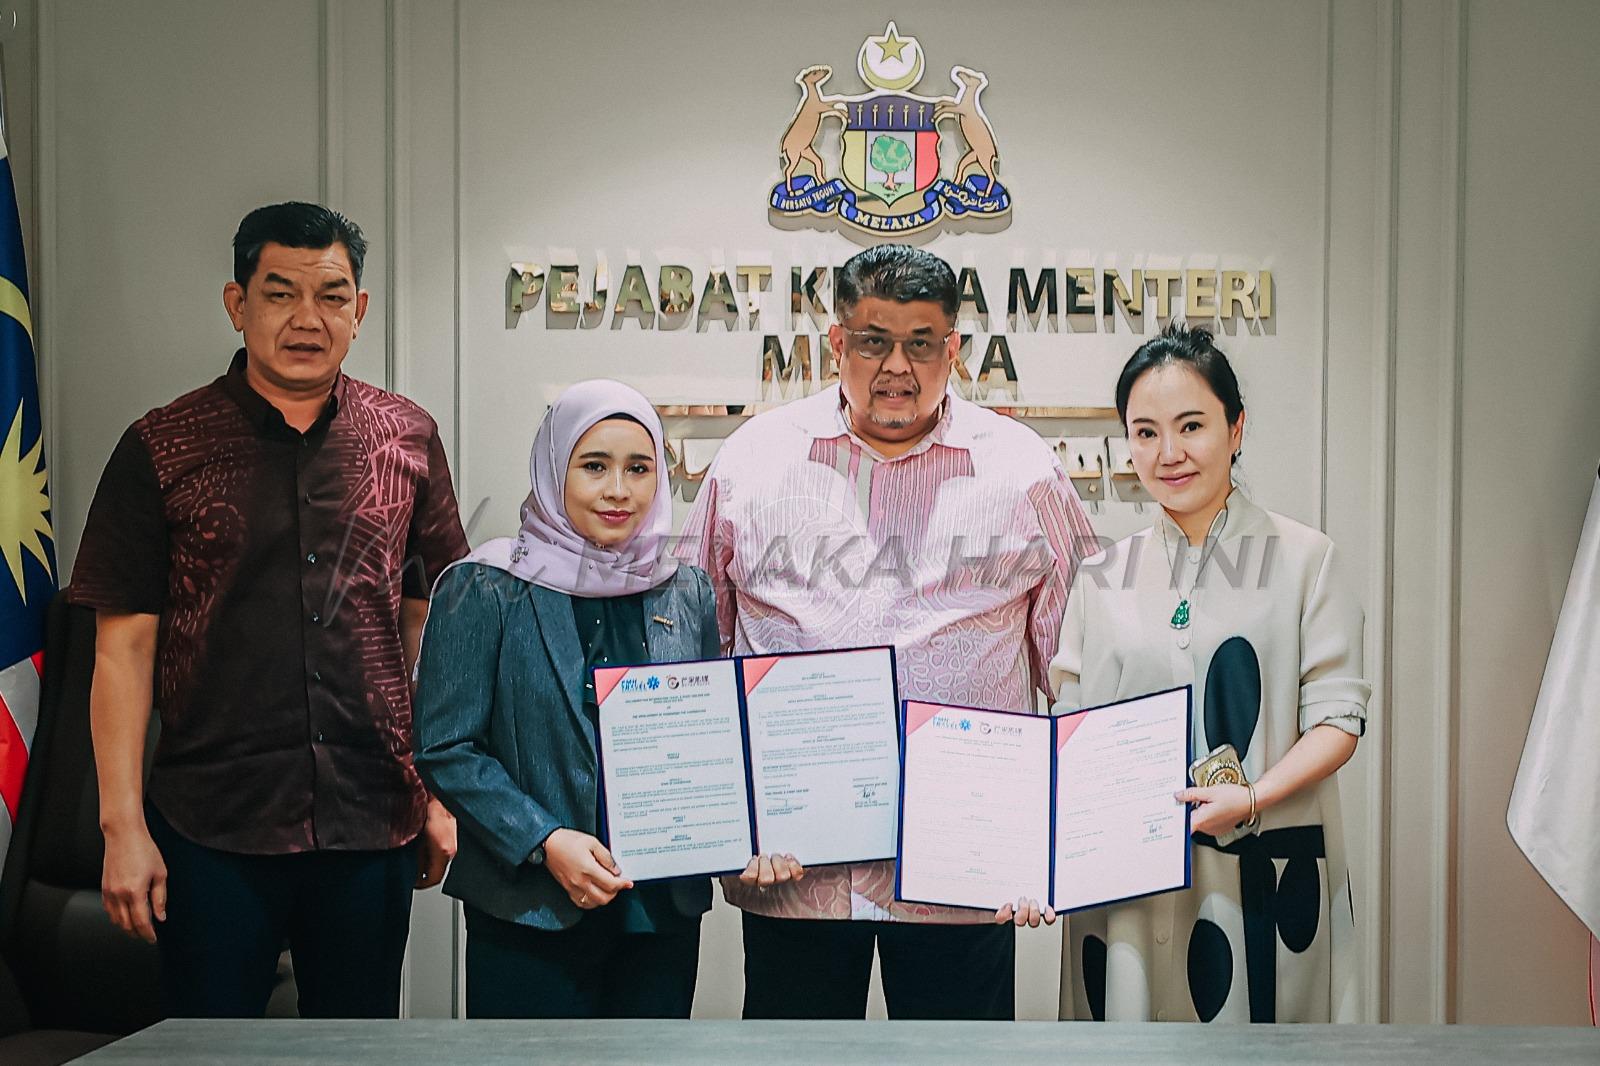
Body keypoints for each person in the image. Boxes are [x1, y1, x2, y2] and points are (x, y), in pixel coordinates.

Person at [677, 243, 1097, 1021]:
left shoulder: (1023, 471)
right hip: (794, 868)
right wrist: (723, 818)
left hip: (963, 870)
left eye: (921, 343)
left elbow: (1077, 673)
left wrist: (1052, 840)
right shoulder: (752, 463)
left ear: (954, 349)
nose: (897, 366)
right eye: (874, 341)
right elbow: (693, 660)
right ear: (836, 342)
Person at [71, 202, 468, 1018]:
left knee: (354, 1053)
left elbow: (431, 633)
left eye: (330, 296)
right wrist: (121, 827)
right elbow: (123, 652)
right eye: (280, 293)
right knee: (210, 1054)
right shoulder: (163, 445)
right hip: (211, 826)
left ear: (359, 310)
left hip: (370, 817)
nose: (306, 319)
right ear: (237, 303)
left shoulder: (407, 438)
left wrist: (436, 792)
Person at [1048, 323, 1369, 1023]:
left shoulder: (1306, 560)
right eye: (1146, 432)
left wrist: (1251, 798)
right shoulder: (1101, 577)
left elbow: (1337, 721)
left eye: (1191, 426)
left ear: (1236, 427)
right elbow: (1067, 734)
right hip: (1127, 884)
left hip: (1260, 871)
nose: (1169, 453)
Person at [413, 380, 717, 1019]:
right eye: (594, 466)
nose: (619, 490)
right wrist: (544, 839)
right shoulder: (487, 585)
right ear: (554, 471)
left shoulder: (685, 589)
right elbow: (446, 747)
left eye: (639, 468)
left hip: (658, 912)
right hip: (528, 909)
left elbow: (709, 735)